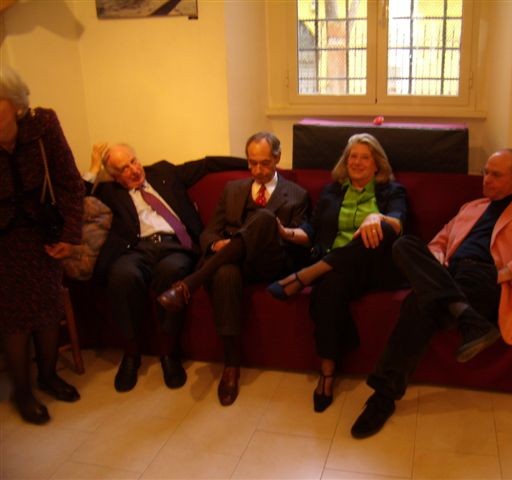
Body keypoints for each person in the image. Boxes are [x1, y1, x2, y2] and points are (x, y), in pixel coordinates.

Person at [349, 148, 512, 439]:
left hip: (488, 279)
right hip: (449, 274)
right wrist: (435, 264)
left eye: (496, 175)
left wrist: (508, 272)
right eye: (485, 172)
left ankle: (382, 399)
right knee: (404, 246)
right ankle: (467, 317)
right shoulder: (472, 207)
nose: (486, 179)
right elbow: (439, 242)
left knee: (419, 303)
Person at [157, 132, 310, 406]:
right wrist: (217, 245)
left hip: (269, 262)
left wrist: (276, 232)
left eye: (264, 163)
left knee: (264, 217)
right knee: (225, 273)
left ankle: (189, 284)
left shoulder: (298, 195)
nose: (257, 170)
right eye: (252, 163)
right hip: (231, 263)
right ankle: (231, 366)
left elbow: (300, 243)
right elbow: (209, 231)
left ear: (277, 158)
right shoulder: (232, 189)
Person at [86, 142, 246, 393]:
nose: (134, 170)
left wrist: (251, 164)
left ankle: (168, 354)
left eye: (133, 161)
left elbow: (207, 164)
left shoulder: (163, 172)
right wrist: (94, 169)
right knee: (122, 276)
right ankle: (131, 354)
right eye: (124, 169)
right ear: (115, 177)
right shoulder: (109, 191)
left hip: (175, 246)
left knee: (171, 272)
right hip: (135, 249)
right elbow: (75, 201)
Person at [267, 133, 407, 413]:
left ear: (377, 164)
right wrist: (286, 233)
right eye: (352, 156)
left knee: (380, 231)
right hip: (340, 269)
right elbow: (312, 230)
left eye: (364, 157)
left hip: (376, 266)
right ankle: (327, 372)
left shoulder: (392, 191)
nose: (357, 162)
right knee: (328, 287)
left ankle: (308, 275)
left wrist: (376, 216)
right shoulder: (332, 191)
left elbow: (398, 224)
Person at [0, 66, 85, 424]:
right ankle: (23, 391)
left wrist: (70, 235)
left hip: (43, 234)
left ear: (15, 103)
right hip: (3, 243)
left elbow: (70, 182)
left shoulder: (43, 126)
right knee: (15, 319)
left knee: (48, 308)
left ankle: (48, 376)